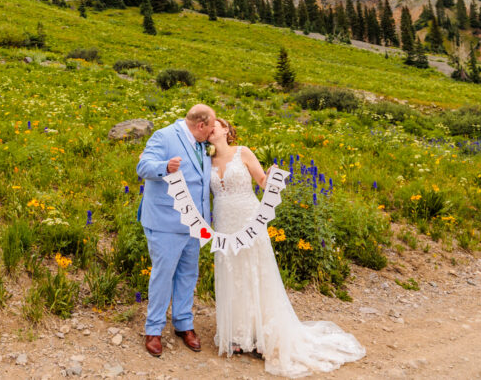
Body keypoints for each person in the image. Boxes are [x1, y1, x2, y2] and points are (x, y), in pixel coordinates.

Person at [208, 117, 365, 377]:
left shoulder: (242, 152)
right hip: (224, 222)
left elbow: (261, 182)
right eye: (208, 125)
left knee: (256, 272)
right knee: (232, 273)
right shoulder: (207, 161)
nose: (211, 127)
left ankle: (261, 336)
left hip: (248, 218)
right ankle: (238, 335)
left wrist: (270, 178)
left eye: (216, 123)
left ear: (226, 130)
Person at [136, 103, 215, 358]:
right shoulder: (164, 135)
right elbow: (143, 167)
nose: (212, 132)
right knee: (163, 275)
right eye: (211, 127)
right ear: (200, 125)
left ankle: (183, 324)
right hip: (166, 221)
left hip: (195, 224)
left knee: (188, 274)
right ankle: (153, 329)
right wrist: (165, 166)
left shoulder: (203, 143)